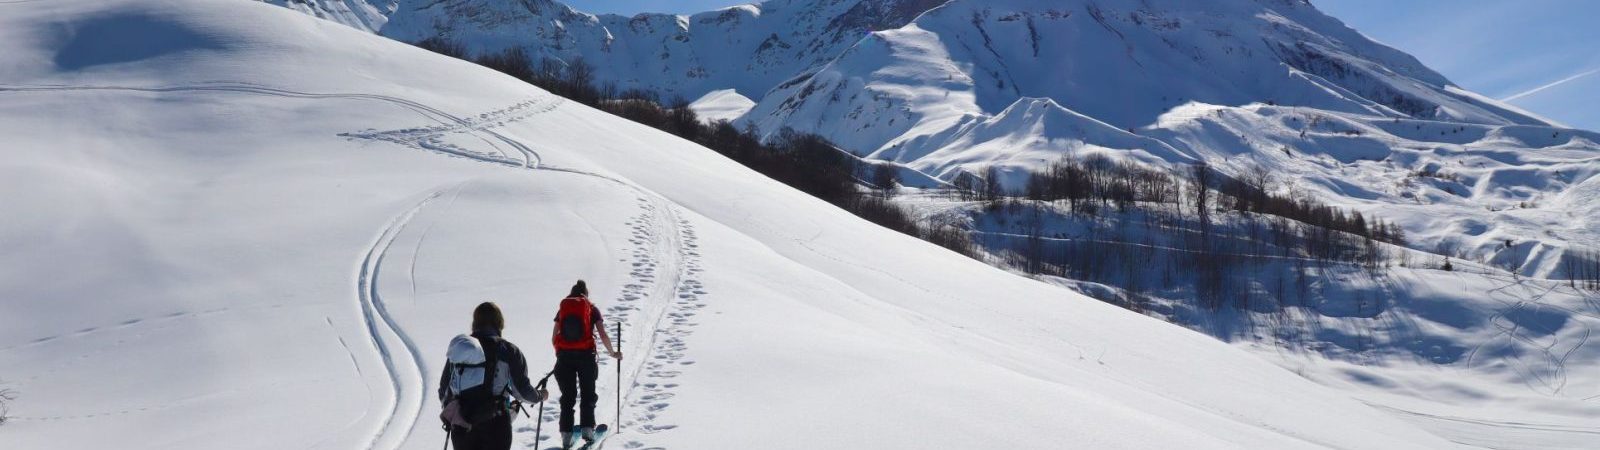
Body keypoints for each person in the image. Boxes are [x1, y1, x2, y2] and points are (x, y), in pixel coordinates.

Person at [439, 302, 548, 450]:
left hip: (463, 423)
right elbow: (522, 391)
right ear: (499, 323)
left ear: (475, 322)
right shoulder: (508, 350)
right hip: (496, 424)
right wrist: (540, 396)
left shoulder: (461, 350)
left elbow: (444, 391)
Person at [551, 280, 622, 448]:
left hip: (564, 358)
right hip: (586, 357)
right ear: (586, 294)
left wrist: (561, 353)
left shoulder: (563, 309)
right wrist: (613, 353)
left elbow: (554, 337)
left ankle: (566, 436)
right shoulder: (591, 308)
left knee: (567, 396)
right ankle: (588, 431)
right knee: (587, 394)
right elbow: (603, 335)